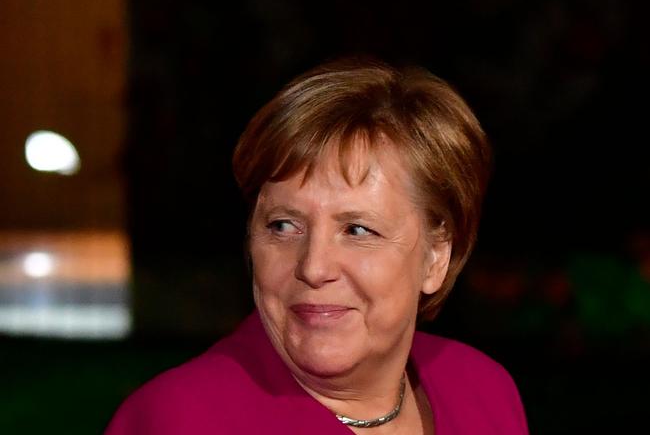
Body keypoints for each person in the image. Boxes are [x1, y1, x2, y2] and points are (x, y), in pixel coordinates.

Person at [105, 57, 528, 434]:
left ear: (437, 257)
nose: (314, 266)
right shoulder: (179, 420)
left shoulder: (482, 391)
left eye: (358, 230)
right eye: (284, 225)